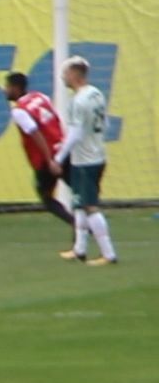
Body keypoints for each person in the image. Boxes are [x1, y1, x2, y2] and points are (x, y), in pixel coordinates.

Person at [3, 72, 77, 250]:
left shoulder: (19, 111)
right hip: (63, 150)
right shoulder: (41, 96)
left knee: (46, 198)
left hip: (46, 160)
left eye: (7, 87)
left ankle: (77, 225)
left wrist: (50, 160)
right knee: (80, 192)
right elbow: (54, 120)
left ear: (16, 88)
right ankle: (86, 228)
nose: (4, 90)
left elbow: (36, 134)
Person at [57, 57, 116, 266]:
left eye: (65, 73)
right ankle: (79, 249)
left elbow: (75, 134)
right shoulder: (96, 94)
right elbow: (104, 123)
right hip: (97, 154)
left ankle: (108, 254)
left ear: (74, 74)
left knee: (89, 206)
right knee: (79, 205)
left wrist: (58, 157)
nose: (63, 77)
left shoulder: (78, 101)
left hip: (85, 160)